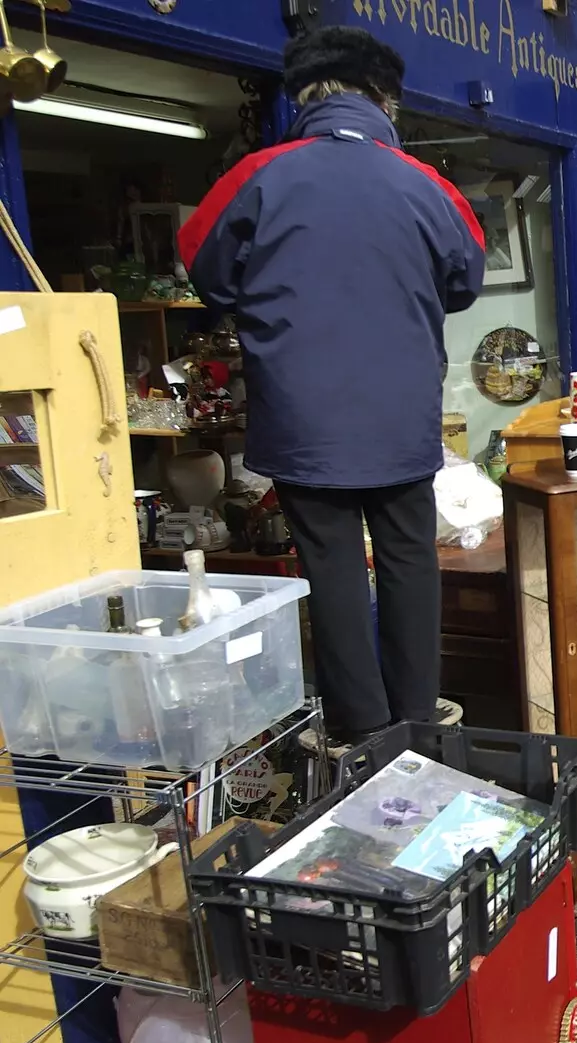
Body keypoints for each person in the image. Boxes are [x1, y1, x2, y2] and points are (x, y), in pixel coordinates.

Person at [180, 26, 488, 741]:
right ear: (384, 100)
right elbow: (466, 274)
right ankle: (417, 722)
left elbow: (201, 260)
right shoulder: (426, 185)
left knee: (334, 567)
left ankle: (361, 729)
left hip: (301, 415)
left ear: (305, 97)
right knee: (410, 557)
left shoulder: (258, 175)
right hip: (400, 412)